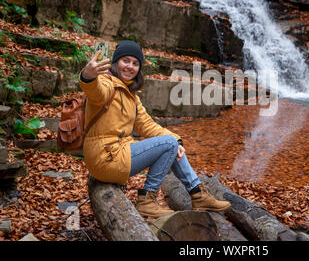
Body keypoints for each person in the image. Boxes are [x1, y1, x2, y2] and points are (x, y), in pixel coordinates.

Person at [79, 40, 231, 219]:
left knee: (171, 142)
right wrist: (88, 76)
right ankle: (148, 201)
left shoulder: (130, 95)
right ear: (115, 62)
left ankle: (197, 194)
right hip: (105, 157)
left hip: (115, 154)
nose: (130, 66)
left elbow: (148, 126)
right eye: (125, 60)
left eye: (135, 63)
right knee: (168, 143)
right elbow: (95, 90)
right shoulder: (105, 82)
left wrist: (178, 141)